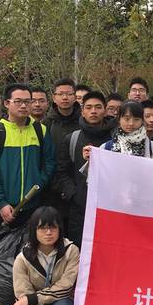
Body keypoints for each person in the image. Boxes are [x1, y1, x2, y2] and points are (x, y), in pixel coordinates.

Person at [0, 84, 56, 229]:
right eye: (18, 101)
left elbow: (50, 162)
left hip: (33, 205)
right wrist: (0, 203)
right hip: (3, 208)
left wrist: (39, 183)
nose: (23, 106)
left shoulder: (40, 130)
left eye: (27, 101)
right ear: (6, 103)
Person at [10, 207, 79, 305]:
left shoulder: (71, 251)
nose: (48, 233)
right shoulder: (22, 259)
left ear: (60, 229)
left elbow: (66, 287)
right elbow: (22, 298)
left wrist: (31, 298)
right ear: (33, 231)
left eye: (53, 227)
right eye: (42, 228)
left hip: (58, 302)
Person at [53, 91, 110, 246]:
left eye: (98, 107)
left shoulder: (115, 138)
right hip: (79, 208)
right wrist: (74, 194)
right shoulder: (72, 138)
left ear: (105, 110)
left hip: (107, 206)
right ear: (82, 111)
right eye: (89, 107)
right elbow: (62, 171)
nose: (93, 111)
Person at [47, 79, 81, 152]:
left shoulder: (83, 122)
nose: (65, 97)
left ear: (75, 98)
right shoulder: (47, 123)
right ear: (54, 98)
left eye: (69, 94)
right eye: (60, 94)